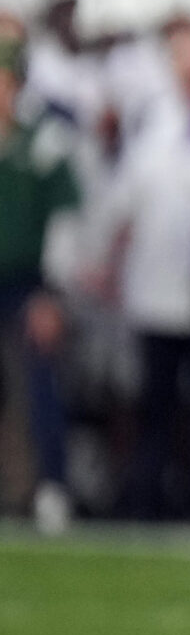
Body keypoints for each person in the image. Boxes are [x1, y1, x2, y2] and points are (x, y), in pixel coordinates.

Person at [97, 9, 190, 520]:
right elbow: (125, 200)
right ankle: (146, 496)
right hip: (156, 285)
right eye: (183, 56)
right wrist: (107, 259)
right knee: (155, 402)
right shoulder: (152, 122)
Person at [0, 36, 81, 533]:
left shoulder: (42, 143)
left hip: (25, 283)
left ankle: (49, 486)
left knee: (36, 388)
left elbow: (66, 221)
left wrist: (51, 291)